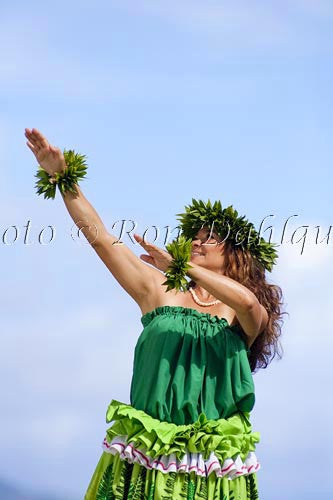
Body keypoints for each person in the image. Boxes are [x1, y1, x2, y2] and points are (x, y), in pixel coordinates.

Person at [24, 127, 285, 499]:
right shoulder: (158, 290)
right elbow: (100, 237)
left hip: (211, 465)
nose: (198, 239)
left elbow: (248, 304)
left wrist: (181, 265)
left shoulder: (242, 314)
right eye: (195, 234)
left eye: (212, 236)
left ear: (237, 255)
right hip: (145, 454)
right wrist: (62, 177)